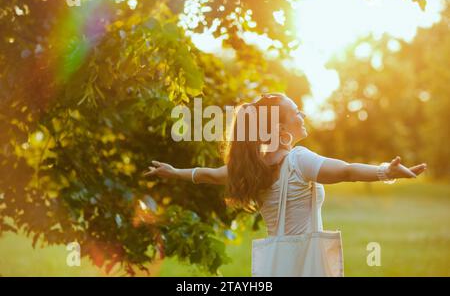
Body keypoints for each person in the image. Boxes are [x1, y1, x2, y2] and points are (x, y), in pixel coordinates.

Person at [144, 92, 427, 236]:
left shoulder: (252, 166)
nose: (302, 114)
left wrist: (173, 172)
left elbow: (207, 175)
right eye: (295, 112)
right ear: (280, 130)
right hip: (304, 263)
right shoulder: (298, 160)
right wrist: (384, 171)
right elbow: (346, 171)